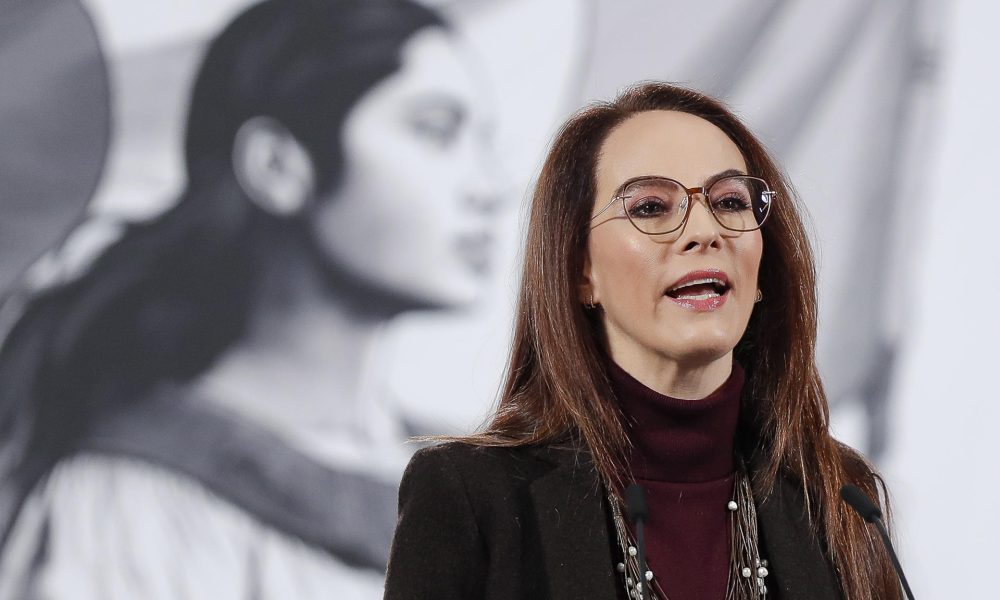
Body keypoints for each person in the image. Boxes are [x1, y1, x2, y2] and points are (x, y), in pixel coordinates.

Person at [0, 0, 497, 598]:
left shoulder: (483, 481)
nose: (489, 187)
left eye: (484, 141)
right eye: (435, 131)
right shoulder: (134, 500)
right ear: (277, 166)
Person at [383, 82, 903, 600]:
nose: (705, 231)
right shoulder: (470, 496)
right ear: (580, 270)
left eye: (730, 201)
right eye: (652, 207)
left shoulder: (840, 497)